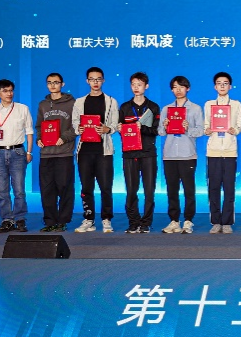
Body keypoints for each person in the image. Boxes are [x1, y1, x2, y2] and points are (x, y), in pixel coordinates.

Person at [72, 67, 119, 233]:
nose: (95, 82)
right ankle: (89, 219)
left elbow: (115, 124)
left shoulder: (111, 101)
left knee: (106, 186)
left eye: (98, 79)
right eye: (92, 79)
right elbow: (74, 123)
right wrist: (79, 129)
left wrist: (108, 129)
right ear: (87, 81)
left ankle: (106, 219)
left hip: (103, 150)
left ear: (103, 80)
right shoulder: (79, 102)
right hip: (85, 150)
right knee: (86, 187)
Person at [0, 78, 33, 233]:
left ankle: (20, 219)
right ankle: (7, 219)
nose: (9, 93)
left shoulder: (22, 108)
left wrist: (29, 152)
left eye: (11, 90)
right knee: (1, 189)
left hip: (18, 152)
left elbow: (29, 131)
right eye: (5, 91)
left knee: (19, 189)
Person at [158, 75, 203, 234]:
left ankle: (188, 220)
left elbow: (200, 131)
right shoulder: (166, 109)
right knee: (172, 190)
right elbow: (160, 132)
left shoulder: (195, 108)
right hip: (169, 154)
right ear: (171, 90)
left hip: (187, 154)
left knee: (189, 190)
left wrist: (188, 128)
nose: (178, 90)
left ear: (187, 88)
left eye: (181, 87)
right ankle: (174, 221)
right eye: (175, 87)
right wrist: (165, 126)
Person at [120, 72, 161, 233]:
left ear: (146, 86)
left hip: (148, 153)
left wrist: (141, 127)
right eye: (133, 84)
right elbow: (121, 128)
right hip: (130, 153)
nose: (136, 87)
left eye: (139, 84)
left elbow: (156, 131)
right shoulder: (125, 107)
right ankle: (133, 222)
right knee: (131, 190)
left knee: (149, 190)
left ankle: (146, 222)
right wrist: (120, 128)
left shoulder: (153, 107)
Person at [35, 72, 75, 232]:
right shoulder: (43, 104)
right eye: (49, 82)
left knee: (65, 188)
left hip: (64, 153)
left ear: (62, 84)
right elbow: (39, 126)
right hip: (46, 153)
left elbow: (76, 126)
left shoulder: (72, 103)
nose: (52, 85)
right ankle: (50, 221)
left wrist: (64, 138)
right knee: (47, 190)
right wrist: (39, 139)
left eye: (56, 82)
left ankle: (63, 221)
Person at [203, 71, 241, 233]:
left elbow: (240, 125)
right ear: (215, 87)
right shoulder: (209, 104)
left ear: (230, 86)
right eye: (219, 83)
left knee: (229, 187)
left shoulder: (236, 104)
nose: (222, 86)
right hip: (213, 151)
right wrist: (207, 130)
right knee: (213, 188)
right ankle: (215, 221)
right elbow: (205, 125)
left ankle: (227, 222)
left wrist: (235, 130)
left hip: (230, 151)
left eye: (225, 83)